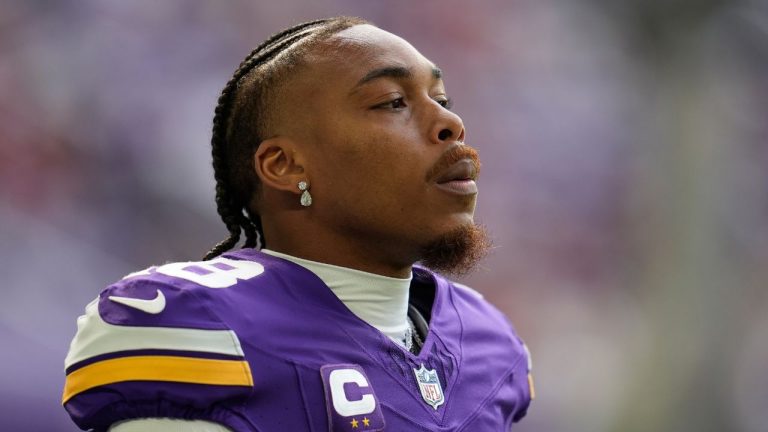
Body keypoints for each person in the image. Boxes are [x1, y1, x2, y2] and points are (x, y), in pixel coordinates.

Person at [62, 16, 534, 431]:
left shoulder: (487, 343)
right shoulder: (201, 326)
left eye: (442, 97)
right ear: (285, 166)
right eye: (392, 101)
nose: (450, 122)